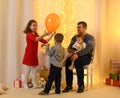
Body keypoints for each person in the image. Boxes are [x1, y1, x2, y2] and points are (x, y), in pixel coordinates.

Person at [62, 21, 95, 93]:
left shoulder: (90, 38)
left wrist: (78, 55)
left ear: (85, 28)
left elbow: (88, 49)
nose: (78, 29)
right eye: (77, 27)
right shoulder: (74, 37)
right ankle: (69, 85)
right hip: (75, 54)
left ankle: (81, 85)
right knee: (68, 61)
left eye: (79, 27)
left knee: (78, 61)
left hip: (87, 56)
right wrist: (71, 51)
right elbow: (69, 47)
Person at [22, 19, 54, 89]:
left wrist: (52, 35)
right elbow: (36, 39)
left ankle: (34, 83)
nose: (35, 27)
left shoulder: (36, 34)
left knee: (35, 69)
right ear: (29, 26)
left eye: (36, 25)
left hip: (34, 55)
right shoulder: (28, 34)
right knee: (28, 69)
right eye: (33, 25)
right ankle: (24, 83)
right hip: (29, 54)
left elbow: (45, 41)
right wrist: (44, 34)